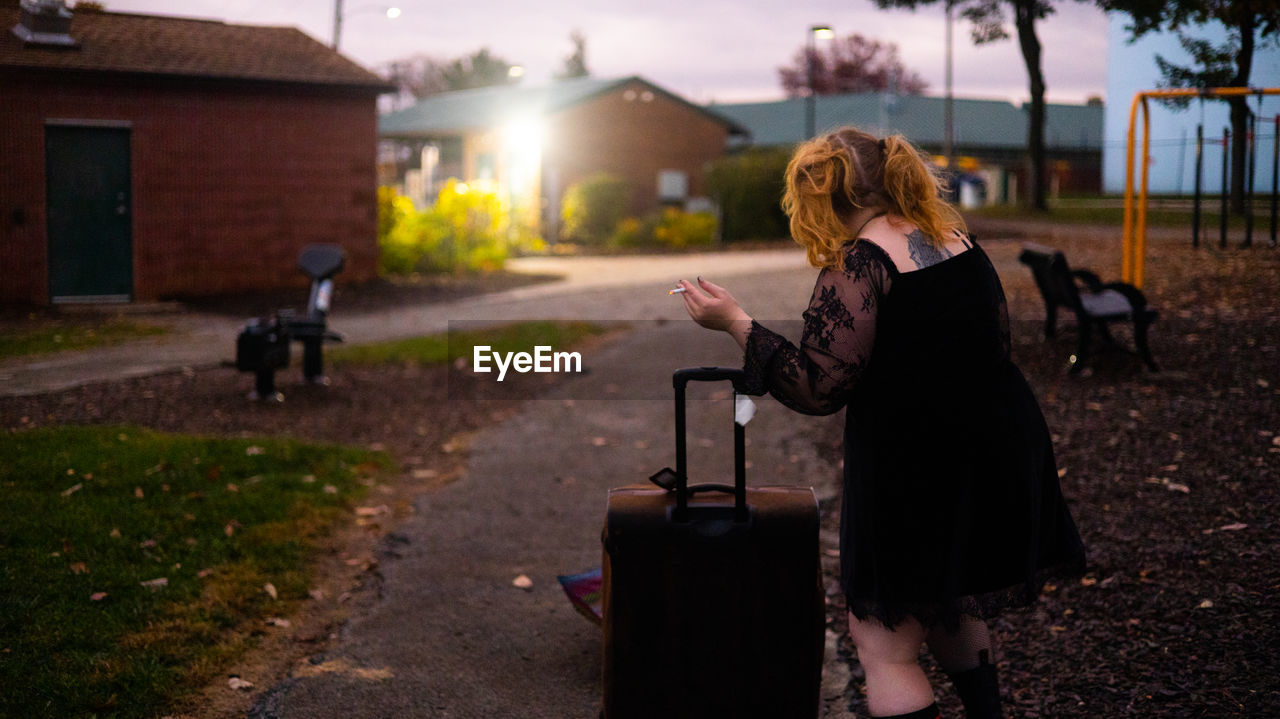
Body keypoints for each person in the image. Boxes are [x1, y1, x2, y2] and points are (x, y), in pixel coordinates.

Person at [675, 127, 1086, 719]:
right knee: (948, 596)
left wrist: (737, 321)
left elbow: (820, 387)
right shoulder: (954, 238)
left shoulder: (861, 263)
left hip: (916, 465)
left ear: (825, 198)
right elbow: (994, 341)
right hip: (998, 448)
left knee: (883, 642)